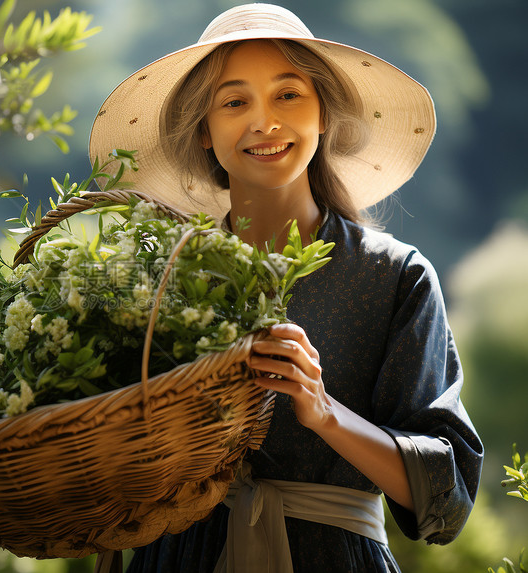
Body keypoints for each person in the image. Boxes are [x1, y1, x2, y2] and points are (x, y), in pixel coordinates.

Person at [88, 3, 483, 572]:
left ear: (324, 115)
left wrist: (324, 413)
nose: (263, 122)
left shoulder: (394, 278)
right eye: (234, 101)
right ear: (205, 131)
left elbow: (447, 499)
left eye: (288, 94)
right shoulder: (161, 278)